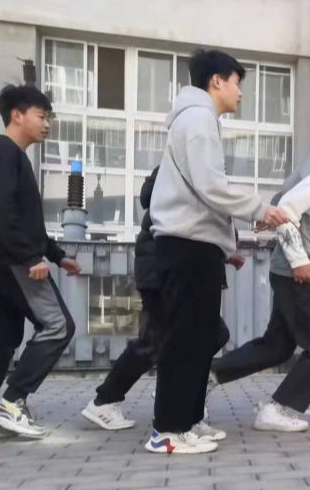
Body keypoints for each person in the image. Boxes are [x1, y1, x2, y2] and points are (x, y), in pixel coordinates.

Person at [146, 49, 289, 454]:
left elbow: (204, 193)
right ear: (216, 81)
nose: (240, 92)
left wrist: (228, 243)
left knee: (200, 338)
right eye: (237, 82)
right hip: (186, 247)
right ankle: (167, 431)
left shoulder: (197, 119)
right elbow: (211, 186)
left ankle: (189, 420)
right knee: (185, 340)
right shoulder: (198, 119)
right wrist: (260, 208)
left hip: (197, 247)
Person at [210, 118, 310, 432]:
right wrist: (299, 260)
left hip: (298, 274)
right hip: (294, 274)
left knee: (277, 347)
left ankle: (206, 376)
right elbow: (285, 208)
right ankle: (277, 409)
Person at [80, 165, 238, 436]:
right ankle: (111, 400)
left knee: (193, 337)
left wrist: (225, 251)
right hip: (165, 269)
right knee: (162, 340)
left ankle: (180, 406)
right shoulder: (181, 172)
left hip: (171, 268)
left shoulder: (189, 173)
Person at [0, 85, 82, 438]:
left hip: (3, 262)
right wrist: (30, 257)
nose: (47, 124)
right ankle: (11, 402)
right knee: (58, 325)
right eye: (42, 116)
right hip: (13, 262)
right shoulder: (3, 151)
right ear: (17, 115)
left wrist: (57, 256)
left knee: (2, 336)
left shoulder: (13, 156)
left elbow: (26, 222)